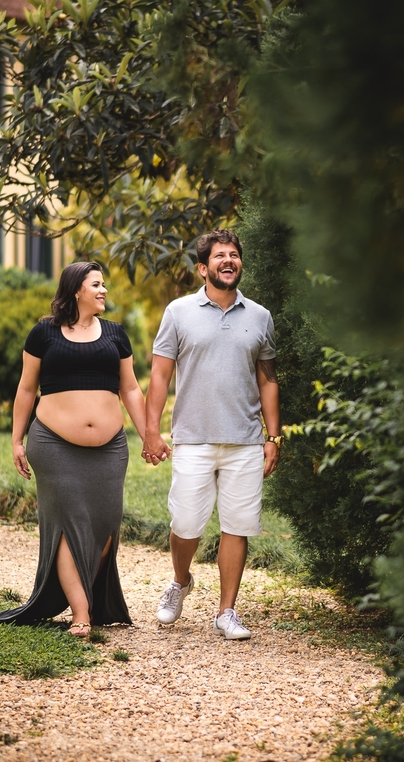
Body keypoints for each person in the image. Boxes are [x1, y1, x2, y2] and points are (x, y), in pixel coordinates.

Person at [0, 262, 144, 636]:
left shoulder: (116, 335)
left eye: (104, 284)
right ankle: (81, 613)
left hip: (110, 449)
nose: (104, 290)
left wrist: (150, 435)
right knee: (66, 525)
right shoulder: (44, 333)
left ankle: (85, 597)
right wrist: (16, 439)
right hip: (53, 446)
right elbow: (26, 389)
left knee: (105, 525)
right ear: (76, 290)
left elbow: (132, 389)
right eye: (96, 284)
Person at [142, 229, 281, 640]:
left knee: (237, 525)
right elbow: (160, 374)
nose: (229, 261)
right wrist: (152, 431)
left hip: (244, 441)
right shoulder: (178, 312)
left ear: (240, 264)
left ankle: (227, 612)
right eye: (220, 255)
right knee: (185, 523)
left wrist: (273, 437)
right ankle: (181, 581)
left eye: (234, 255)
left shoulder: (260, 316)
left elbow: (268, 379)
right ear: (203, 268)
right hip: (193, 437)